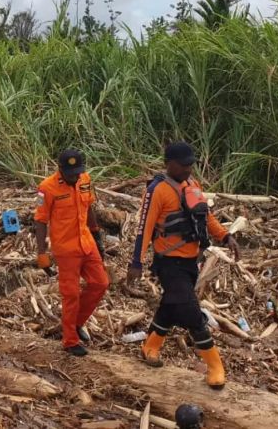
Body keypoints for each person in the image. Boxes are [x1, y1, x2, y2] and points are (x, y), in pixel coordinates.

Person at [127, 141, 239, 389]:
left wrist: (225, 236)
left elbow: (206, 218)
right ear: (169, 164)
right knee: (191, 312)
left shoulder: (193, 186)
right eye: (184, 165)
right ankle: (214, 365)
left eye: (191, 165)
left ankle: (151, 346)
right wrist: (136, 261)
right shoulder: (157, 191)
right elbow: (144, 228)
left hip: (191, 261)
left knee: (172, 304)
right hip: (168, 263)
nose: (189, 170)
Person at [33, 149, 109, 357]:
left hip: (86, 242)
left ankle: (75, 323)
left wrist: (96, 234)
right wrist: (42, 253)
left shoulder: (84, 179)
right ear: (60, 170)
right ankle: (69, 340)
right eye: (71, 173)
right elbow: (40, 220)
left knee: (100, 283)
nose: (75, 176)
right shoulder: (46, 188)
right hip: (66, 249)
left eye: (78, 172)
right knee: (71, 294)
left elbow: (89, 207)